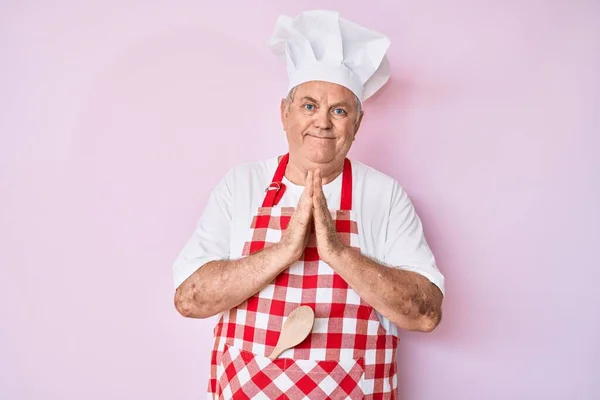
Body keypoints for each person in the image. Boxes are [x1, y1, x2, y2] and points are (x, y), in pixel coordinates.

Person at [172, 9, 445, 399]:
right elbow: (189, 299)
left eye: (339, 110)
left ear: (358, 122)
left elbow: (426, 314)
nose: (323, 122)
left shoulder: (383, 196)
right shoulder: (242, 185)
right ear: (285, 113)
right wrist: (284, 251)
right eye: (309, 105)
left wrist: (335, 251)